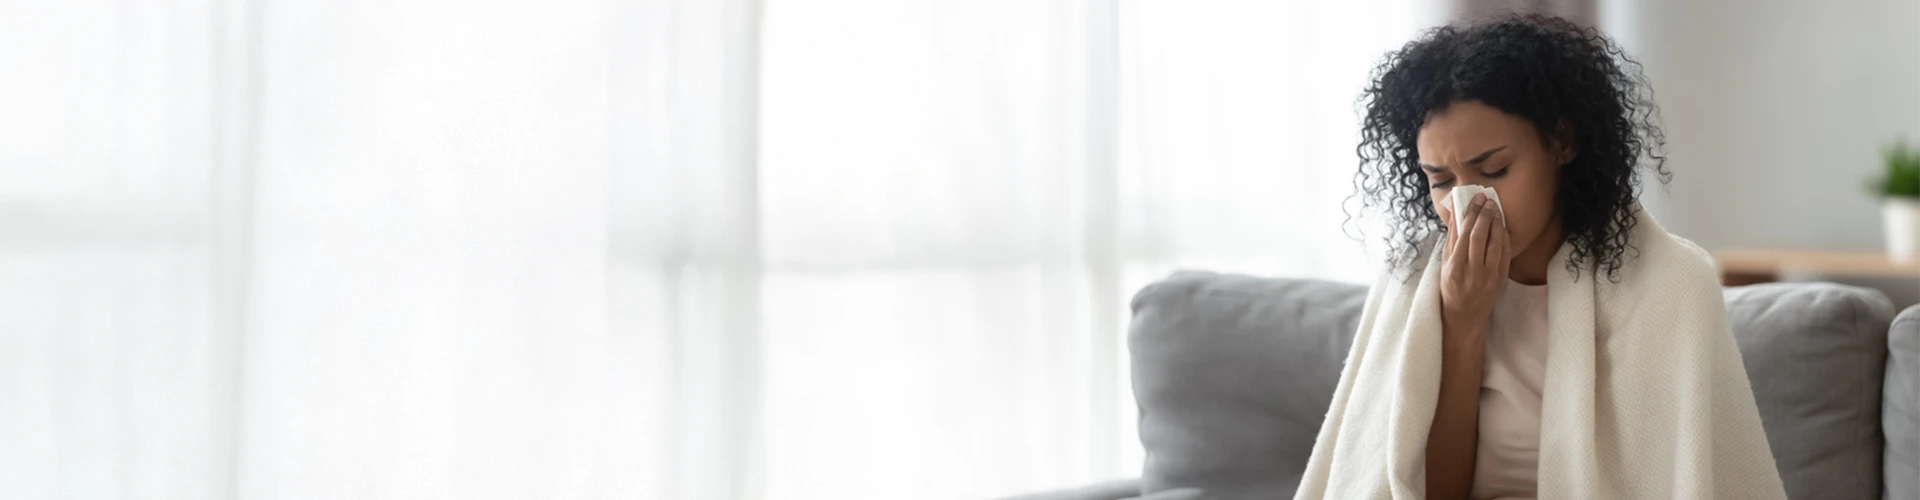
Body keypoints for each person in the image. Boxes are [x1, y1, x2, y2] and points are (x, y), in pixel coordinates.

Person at [1294, 14, 1786, 500]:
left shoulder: (1673, 283)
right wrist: (1462, 322)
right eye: (1440, 182)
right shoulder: (1411, 280)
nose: (1467, 204)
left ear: (1562, 143)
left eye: (1494, 169)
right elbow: (1420, 491)